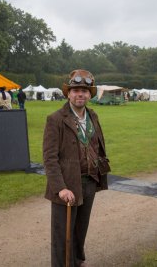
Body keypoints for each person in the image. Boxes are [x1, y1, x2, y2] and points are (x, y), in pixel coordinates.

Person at [43, 69, 111, 267]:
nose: (80, 94)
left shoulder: (93, 116)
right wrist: (60, 188)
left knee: (80, 229)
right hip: (67, 185)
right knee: (62, 233)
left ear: (89, 94)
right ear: (68, 94)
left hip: (89, 181)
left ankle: (77, 261)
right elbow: (49, 157)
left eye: (84, 91)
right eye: (75, 90)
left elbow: (98, 145)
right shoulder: (55, 119)